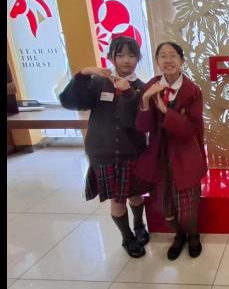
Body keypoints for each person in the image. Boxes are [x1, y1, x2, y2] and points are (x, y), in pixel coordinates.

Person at [59, 36, 149, 258]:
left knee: (136, 195)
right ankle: (127, 237)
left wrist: (128, 93)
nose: (126, 60)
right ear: (111, 58)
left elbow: (133, 122)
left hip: (133, 152)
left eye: (131, 55)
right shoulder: (98, 83)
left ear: (138, 58)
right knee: (117, 200)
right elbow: (70, 102)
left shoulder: (141, 88)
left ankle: (139, 225)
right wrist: (83, 74)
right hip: (103, 153)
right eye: (120, 55)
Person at [135, 42, 207, 260]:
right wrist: (146, 100)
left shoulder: (192, 91)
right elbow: (144, 127)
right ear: (157, 61)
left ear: (182, 60)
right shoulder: (151, 86)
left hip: (185, 154)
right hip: (159, 155)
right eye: (163, 56)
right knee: (165, 204)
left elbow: (189, 130)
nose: (168, 60)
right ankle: (179, 236)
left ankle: (193, 235)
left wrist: (166, 111)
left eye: (173, 55)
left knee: (187, 204)